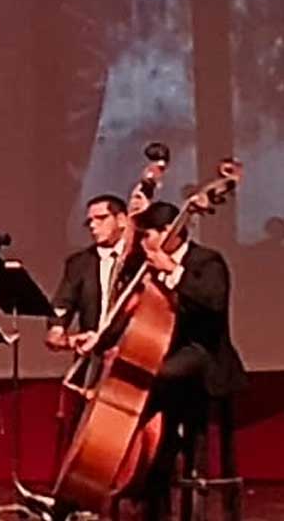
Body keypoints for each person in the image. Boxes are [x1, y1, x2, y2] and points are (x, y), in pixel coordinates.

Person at [129, 202, 247, 521]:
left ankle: (153, 470)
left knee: (156, 379)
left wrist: (173, 271)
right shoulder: (147, 267)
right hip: (169, 354)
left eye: (148, 235)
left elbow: (213, 303)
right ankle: (152, 468)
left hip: (205, 356)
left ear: (170, 233)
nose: (142, 242)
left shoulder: (207, 261)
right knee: (144, 377)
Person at [46, 194, 132, 356]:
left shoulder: (139, 259)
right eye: (89, 221)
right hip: (92, 353)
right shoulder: (79, 263)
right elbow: (62, 303)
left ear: (121, 220)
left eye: (101, 218)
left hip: (132, 350)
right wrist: (57, 331)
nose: (93, 225)